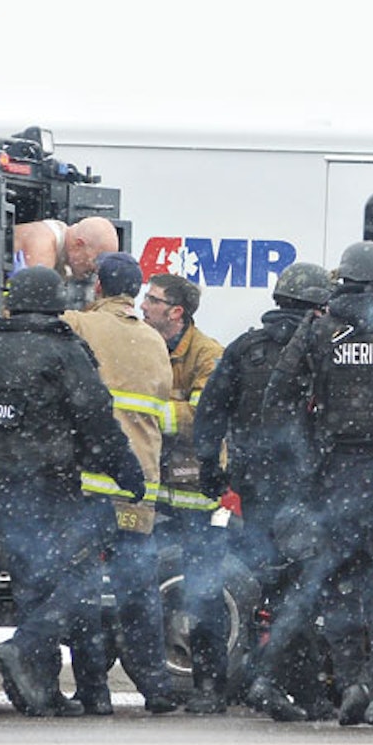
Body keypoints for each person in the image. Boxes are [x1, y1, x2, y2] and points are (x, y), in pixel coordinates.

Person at [0, 265, 146, 718]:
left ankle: (43, 693)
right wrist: (127, 473)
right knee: (78, 576)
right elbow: (96, 419)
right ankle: (29, 648)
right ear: (56, 303)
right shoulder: (62, 350)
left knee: (32, 582)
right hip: (50, 483)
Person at [266, 242, 373, 730]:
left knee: (337, 583)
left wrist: (306, 456)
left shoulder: (318, 329)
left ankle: (352, 682)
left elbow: (279, 398)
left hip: (335, 476)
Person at [195, 262, 335, 722]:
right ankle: (290, 685)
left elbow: (210, 411)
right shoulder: (324, 344)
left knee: (268, 585)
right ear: (320, 304)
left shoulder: (245, 348)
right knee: (305, 589)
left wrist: (211, 471)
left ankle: (256, 682)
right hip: (309, 489)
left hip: (256, 488)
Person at [61, 252, 180, 715]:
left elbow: (23, 315)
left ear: (97, 288)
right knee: (138, 592)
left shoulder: (82, 324)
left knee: (85, 590)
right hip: (139, 488)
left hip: (93, 485)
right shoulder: (154, 341)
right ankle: (157, 689)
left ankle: (95, 692)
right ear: (136, 291)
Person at [141, 273, 227, 713]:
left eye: (153, 301)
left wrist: (147, 412)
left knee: (205, 591)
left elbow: (200, 416)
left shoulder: (207, 354)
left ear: (177, 312)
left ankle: (211, 688)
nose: (144, 305)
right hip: (155, 489)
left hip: (196, 493)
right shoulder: (144, 343)